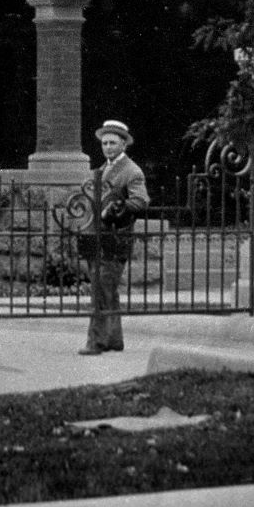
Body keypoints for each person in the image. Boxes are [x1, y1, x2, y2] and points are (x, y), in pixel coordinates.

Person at [79, 118, 149, 355]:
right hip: (97, 237)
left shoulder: (131, 171)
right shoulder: (101, 169)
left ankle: (96, 342)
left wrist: (116, 208)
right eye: (104, 143)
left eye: (112, 143)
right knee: (106, 289)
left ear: (123, 144)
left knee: (101, 290)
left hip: (115, 238)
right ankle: (114, 339)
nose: (107, 147)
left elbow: (140, 201)